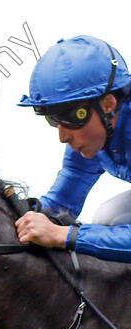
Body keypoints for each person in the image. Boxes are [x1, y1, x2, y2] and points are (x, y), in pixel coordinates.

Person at [16, 35, 131, 262]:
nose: (63, 136)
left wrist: (63, 235)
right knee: (108, 217)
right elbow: (62, 203)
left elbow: (61, 231)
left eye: (72, 117)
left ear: (109, 104)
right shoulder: (95, 132)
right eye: (53, 120)